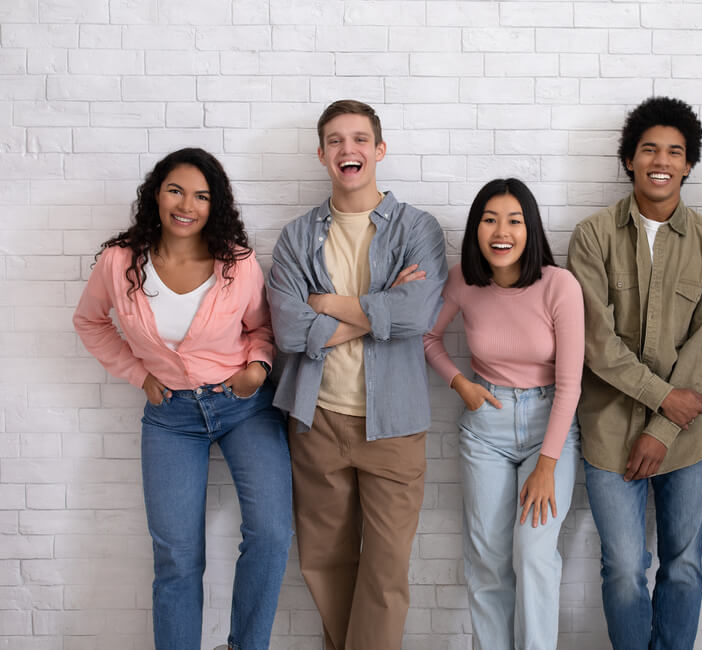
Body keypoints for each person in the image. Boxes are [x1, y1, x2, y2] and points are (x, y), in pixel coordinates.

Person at [73, 148, 293, 650]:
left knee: (273, 533)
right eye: (176, 190)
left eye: (201, 195)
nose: (186, 205)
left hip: (243, 409)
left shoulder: (237, 263)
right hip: (170, 417)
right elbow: (89, 322)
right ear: (157, 194)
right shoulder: (120, 262)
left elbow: (262, 328)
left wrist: (257, 367)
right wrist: (136, 373)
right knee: (177, 555)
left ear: (215, 205)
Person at [266, 99, 447, 650]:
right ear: (322, 154)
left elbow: (418, 314)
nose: (350, 149)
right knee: (325, 561)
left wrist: (329, 303)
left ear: (379, 150)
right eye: (337, 140)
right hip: (316, 419)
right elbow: (290, 331)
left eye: (361, 139)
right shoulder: (296, 237)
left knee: (386, 572)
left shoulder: (419, 228)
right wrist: (377, 312)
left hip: (393, 424)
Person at [566, 96, 702, 650]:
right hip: (610, 431)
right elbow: (597, 343)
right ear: (630, 159)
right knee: (621, 568)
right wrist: (665, 398)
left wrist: (662, 427)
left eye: (675, 152)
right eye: (649, 149)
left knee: (684, 565)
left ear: (689, 164)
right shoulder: (592, 237)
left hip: (685, 438)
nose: (661, 160)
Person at [423, 178, 585, 649]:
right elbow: (426, 337)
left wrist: (548, 464)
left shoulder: (560, 285)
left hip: (547, 428)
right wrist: (460, 383)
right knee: (489, 560)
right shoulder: (463, 282)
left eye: (514, 220)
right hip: (485, 430)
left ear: (530, 228)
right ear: (476, 229)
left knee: (533, 554)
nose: (502, 231)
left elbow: (571, 384)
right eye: (490, 219)